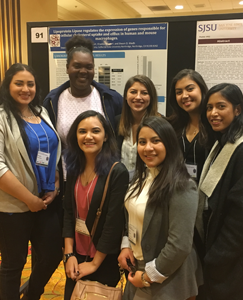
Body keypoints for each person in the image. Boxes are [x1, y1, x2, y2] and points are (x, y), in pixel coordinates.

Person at [0, 63, 62, 300]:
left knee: (52, 254)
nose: (26, 89)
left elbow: (51, 151)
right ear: (7, 85)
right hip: (9, 205)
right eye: (19, 83)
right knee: (14, 262)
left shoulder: (40, 112)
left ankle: (31, 295)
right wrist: (29, 200)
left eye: (30, 84)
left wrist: (54, 187)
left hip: (44, 200)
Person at [196, 83, 243, 300]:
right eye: (209, 107)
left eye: (221, 106)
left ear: (237, 110)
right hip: (225, 263)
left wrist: (215, 258)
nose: (213, 113)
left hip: (237, 268)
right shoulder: (222, 142)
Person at [118, 116, 203, 300]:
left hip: (168, 276)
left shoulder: (182, 185)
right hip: (138, 266)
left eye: (156, 141)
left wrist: (149, 276)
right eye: (142, 142)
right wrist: (126, 245)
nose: (148, 148)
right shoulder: (140, 178)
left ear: (169, 144)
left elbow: (179, 245)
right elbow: (130, 215)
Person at [43, 35, 123, 195]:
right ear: (67, 68)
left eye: (88, 66)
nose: (83, 71)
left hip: (102, 178)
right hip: (65, 180)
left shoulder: (110, 98)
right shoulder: (53, 101)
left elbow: (122, 134)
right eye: (77, 66)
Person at [62, 110, 129, 300]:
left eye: (95, 131)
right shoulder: (74, 167)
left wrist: (94, 263)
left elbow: (113, 224)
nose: (88, 136)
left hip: (103, 257)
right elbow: (68, 212)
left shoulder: (117, 172)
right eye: (82, 131)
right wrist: (68, 254)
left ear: (106, 135)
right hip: (76, 255)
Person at [168, 69, 243, 182]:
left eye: (190, 89)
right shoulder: (172, 125)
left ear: (201, 90)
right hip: (178, 191)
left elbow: (240, 158)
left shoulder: (217, 124)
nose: (184, 95)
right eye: (179, 92)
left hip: (210, 193)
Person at [116, 75, 160, 179]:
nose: (138, 97)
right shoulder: (116, 122)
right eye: (133, 92)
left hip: (149, 185)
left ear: (151, 97)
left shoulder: (160, 124)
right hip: (120, 186)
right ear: (126, 96)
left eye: (144, 93)